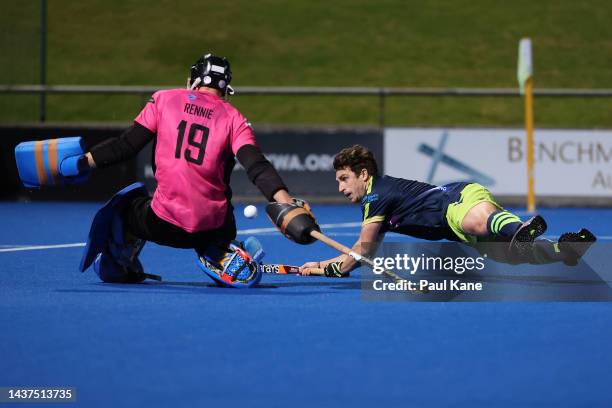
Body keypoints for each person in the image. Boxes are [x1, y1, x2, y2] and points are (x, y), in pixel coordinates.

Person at [15, 53, 301, 287]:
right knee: (222, 209)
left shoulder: (164, 99)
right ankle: (219, 251)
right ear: (226, 89)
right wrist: (287, 205)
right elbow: (256, 166)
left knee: (127, 206)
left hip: (163, 225)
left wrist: (80, 162)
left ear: (191, 81)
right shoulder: (235, 118)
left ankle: (120, 262)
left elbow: (126, 145)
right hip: (213, 227)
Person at [299, 144, 596, 277]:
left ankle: (518, 229)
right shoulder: (375, 201)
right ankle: (566, 249)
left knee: (477, 222)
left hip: (457, 201)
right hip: (455, 227)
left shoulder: (376, 195)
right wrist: (322, 266)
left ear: (363, 174)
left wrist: (334, 270)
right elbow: (360, 253)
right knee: (515, 256)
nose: (340, 188)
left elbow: (358, 257)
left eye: (343, 179)